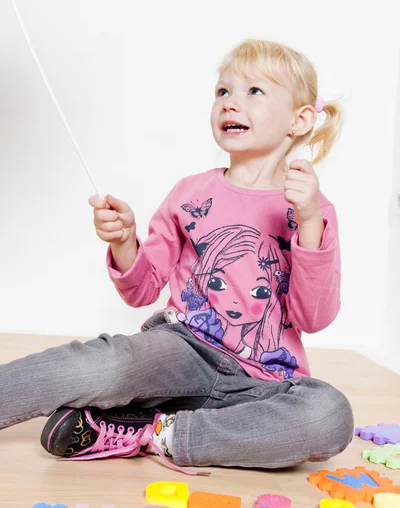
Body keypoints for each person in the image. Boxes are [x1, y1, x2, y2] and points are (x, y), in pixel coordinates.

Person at [0, 39, 353, 475]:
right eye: (222, 92)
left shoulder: (313, 212)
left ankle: (153, 432)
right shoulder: (190, 193)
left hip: (262, 381)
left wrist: (310, 223)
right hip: (180, 352)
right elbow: (143, 288)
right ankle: (144, 420)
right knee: (105, 361)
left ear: (299, 120)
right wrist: (125, 242)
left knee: (327, 413)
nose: (230, 104)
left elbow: (313, 317)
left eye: (253, 92)